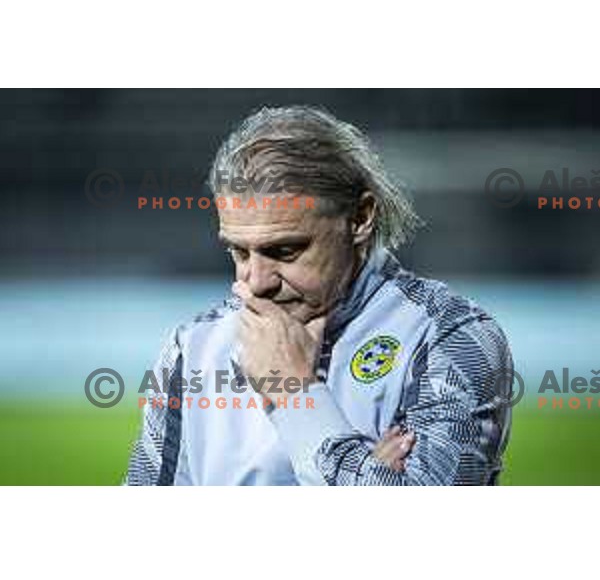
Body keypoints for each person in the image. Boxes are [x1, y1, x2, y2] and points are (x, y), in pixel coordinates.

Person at [125, 105, 513, 486]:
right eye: (239, 252)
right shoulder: (193, 348)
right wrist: (365, 477)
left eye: (285, 251)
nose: (257, 282)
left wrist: (295, 394)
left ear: (360, 218)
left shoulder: (450, 338)